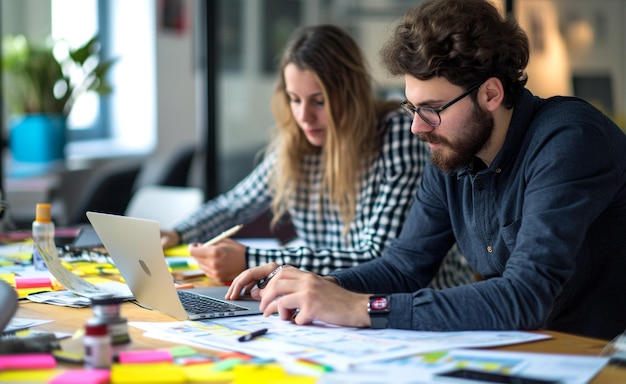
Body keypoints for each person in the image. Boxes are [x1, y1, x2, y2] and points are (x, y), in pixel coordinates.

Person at [226, 0, 626, 341]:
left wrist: (361, 306)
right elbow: (404, 266)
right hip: (533, 349)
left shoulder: (568, 140)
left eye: (432, 109)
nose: (418, 127)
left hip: (601, 358)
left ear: (490, 93)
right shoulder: (452, 150)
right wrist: (325, 286)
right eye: (412, 108)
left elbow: (524, 296)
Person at [161, 25, 474, 289]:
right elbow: (234, 205)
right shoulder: (297, 144)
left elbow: (380, 259)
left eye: (318, 101)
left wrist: (250, 261)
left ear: (349, 95)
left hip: (421, 302)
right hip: (332, 303)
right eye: (294, 99)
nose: (303, 116)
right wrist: (177, 233)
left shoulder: (397, 136)